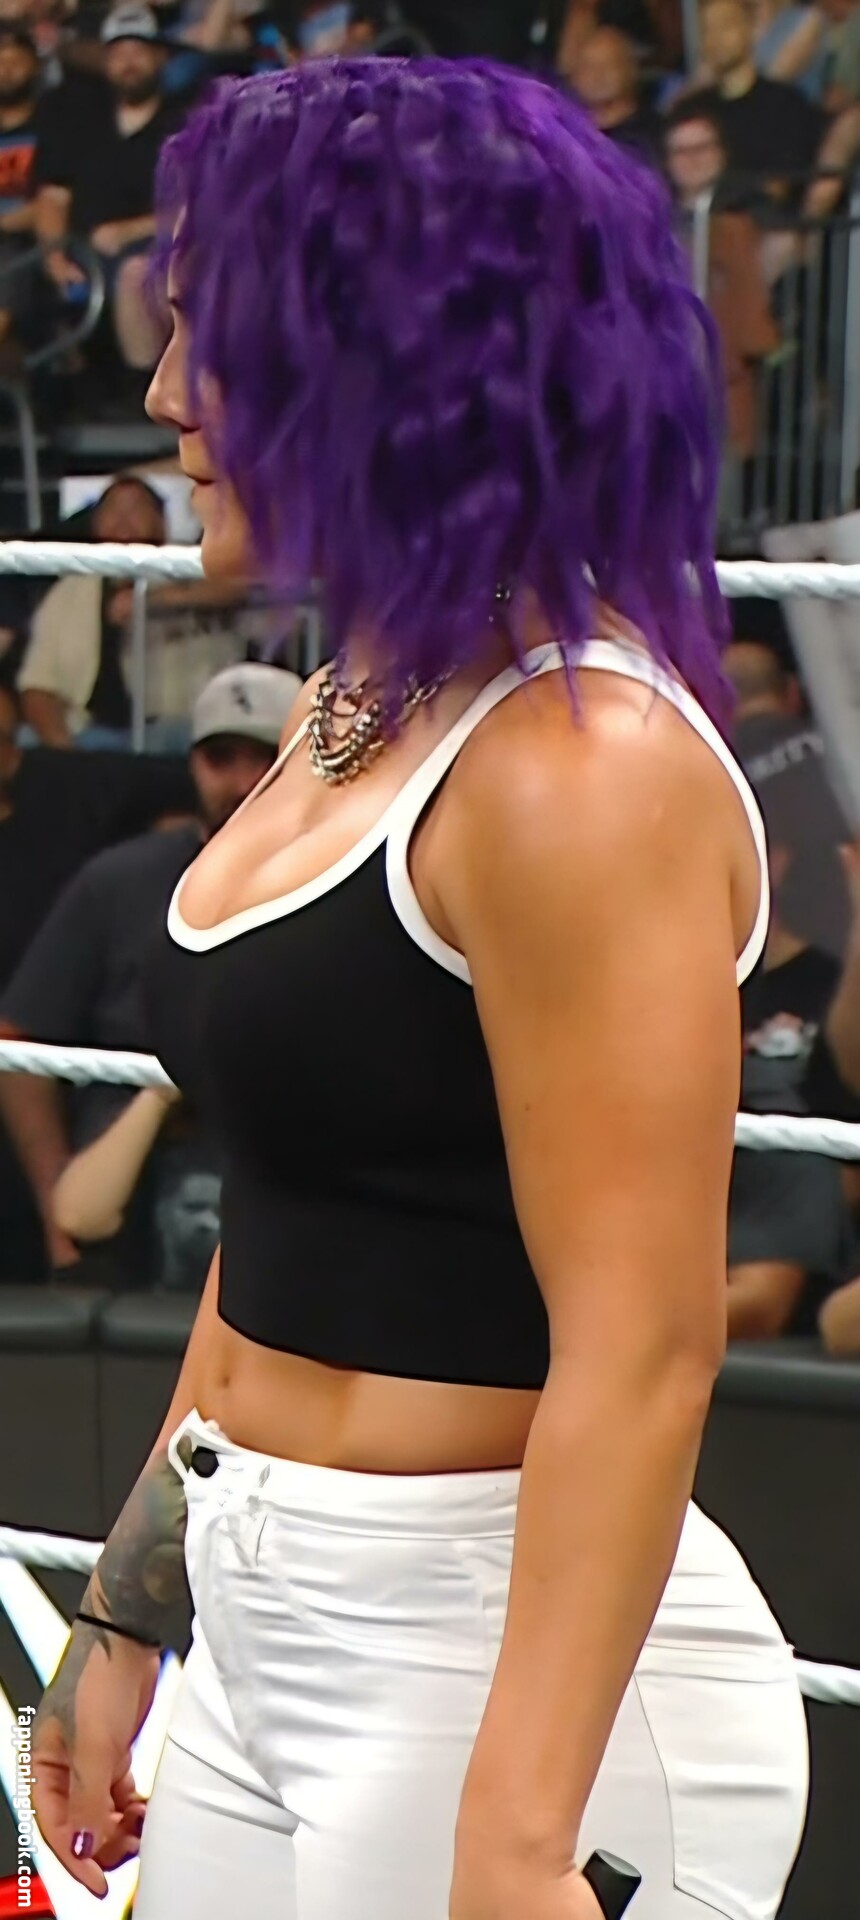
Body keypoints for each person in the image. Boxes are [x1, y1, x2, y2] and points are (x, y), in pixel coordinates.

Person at [31, 59, 808, 1920]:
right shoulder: (357, 701)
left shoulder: (580, 767)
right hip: (268, 1622)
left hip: (497, 1663)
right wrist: (133, 1607)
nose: (164, 395)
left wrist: (517, 1842)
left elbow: (646, 1347)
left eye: (213, 339)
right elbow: (285, 1215)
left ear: (389, 360)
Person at [0, 661, 300, 1279]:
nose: (243, 782)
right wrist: (59, 1221)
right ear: (192, 765)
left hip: (280, 1175)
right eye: (221, 759)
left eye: (264, 758)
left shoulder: (350, 887)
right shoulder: (119, 881)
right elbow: (20, 1044)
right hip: (120, 1186)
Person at [33, 1, 183, 370]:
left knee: (135, 275)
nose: (129, 63)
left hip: (159, 253)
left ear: (161, 57)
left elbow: (201, 208)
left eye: (139, 52)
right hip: (83, 256)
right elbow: (52, 195)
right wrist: (54, 256)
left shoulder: (184, 124)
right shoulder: (79, 121)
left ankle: (141, 389)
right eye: (118, 54)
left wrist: (128, 231)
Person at [571, 27, 661, 159]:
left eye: (609, 64)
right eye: (588, 66)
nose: (597, 75)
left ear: (631, 70)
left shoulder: (656, 134)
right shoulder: (567, 133)